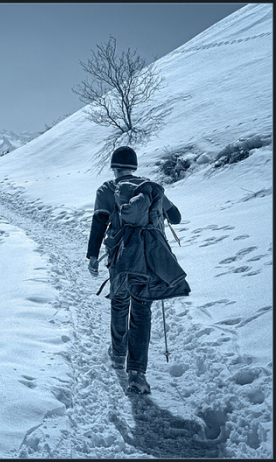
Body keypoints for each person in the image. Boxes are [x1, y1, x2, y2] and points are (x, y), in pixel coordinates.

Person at [86, 146, 186, 394]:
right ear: (135, 166)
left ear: (114, 167)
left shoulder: (108, 189)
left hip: (120, 258)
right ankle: (137, 375)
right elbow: (176, 218)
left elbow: (99, 222)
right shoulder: (150, 187)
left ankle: (118, 355)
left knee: (119, 302)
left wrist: (92, 256)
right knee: (141, 309)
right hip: (149, 259)